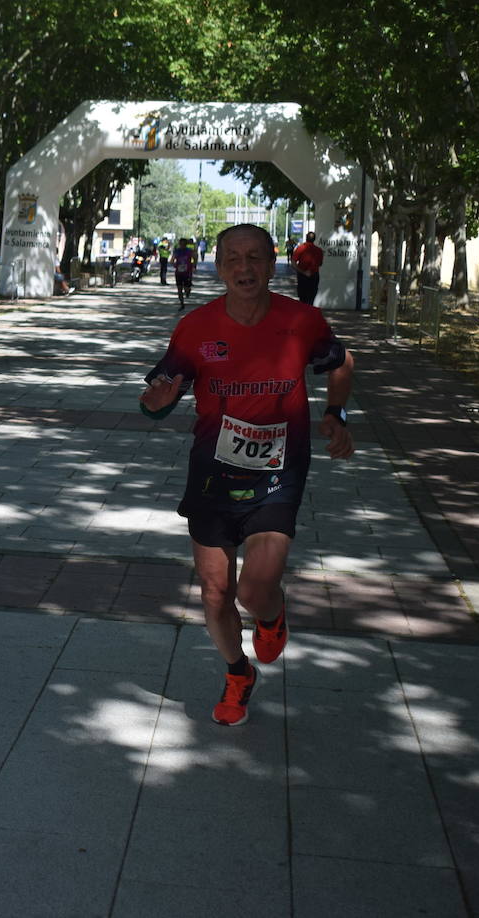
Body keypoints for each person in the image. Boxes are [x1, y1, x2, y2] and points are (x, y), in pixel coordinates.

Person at [138, 224, 354, 727]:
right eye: (233, 258)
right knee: (215, 592)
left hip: (279, 469)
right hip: (212, 472)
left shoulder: (301, 321)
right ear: (218, 267)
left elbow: (342, 363)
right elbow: (158, 395)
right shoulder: (195, 328)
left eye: (255, 257)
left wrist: (336, 413)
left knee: (253, 592)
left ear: (272, 262)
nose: (244, 267)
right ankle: (238, 672)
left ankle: (271, 615)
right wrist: (156, 403)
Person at [292, 230, 324, 305]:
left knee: (302, 298)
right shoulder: (319, 250)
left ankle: (303, 311)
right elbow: (320, 263)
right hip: (314, 276)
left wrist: (302, 271)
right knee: (311, 297)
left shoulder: (301, 248)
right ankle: (309, 310)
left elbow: (293, 262)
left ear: (306, 238)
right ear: (314, 239)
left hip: (302, 276)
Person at [171, 236, 197, 310]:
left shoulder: (189, 251)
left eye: (183, 244)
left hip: (187, 272)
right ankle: (182, 303)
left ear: (186, 244)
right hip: (178, 272)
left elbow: (195, 258)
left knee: (186, 288)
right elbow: (172, 260)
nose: (182, 245)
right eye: (181, 244)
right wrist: (174, 265)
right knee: (179, 289)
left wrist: (193, 266)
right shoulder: (177, 251)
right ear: (179, 244)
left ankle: (188, 291)